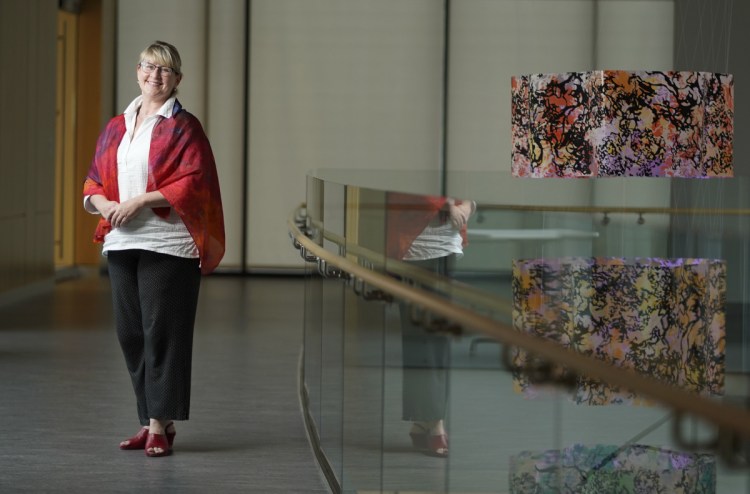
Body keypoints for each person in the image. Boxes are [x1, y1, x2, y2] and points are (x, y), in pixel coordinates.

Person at [82, 40, 225, 457]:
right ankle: (150, 420)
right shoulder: (117, 126)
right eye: (148, 67)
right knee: (130, 334)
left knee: (162, 332)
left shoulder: (184, 127)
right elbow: (94, 181)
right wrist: (107, 205)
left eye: (164, 70)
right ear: (137, 71)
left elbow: (193, 181)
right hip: (121, 238)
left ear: (177, 79)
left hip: (168, 243)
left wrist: (141, 201)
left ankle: (160, 425)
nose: (154, 76)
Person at [386, 192, 475, 458]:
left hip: (445, 247)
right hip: (417, 250)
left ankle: (422, 419)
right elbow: (408, 188)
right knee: (424, 338)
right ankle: (434, 421)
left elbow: (463, 188)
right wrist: (447, 204)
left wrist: (469, 205)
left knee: (433, 338)